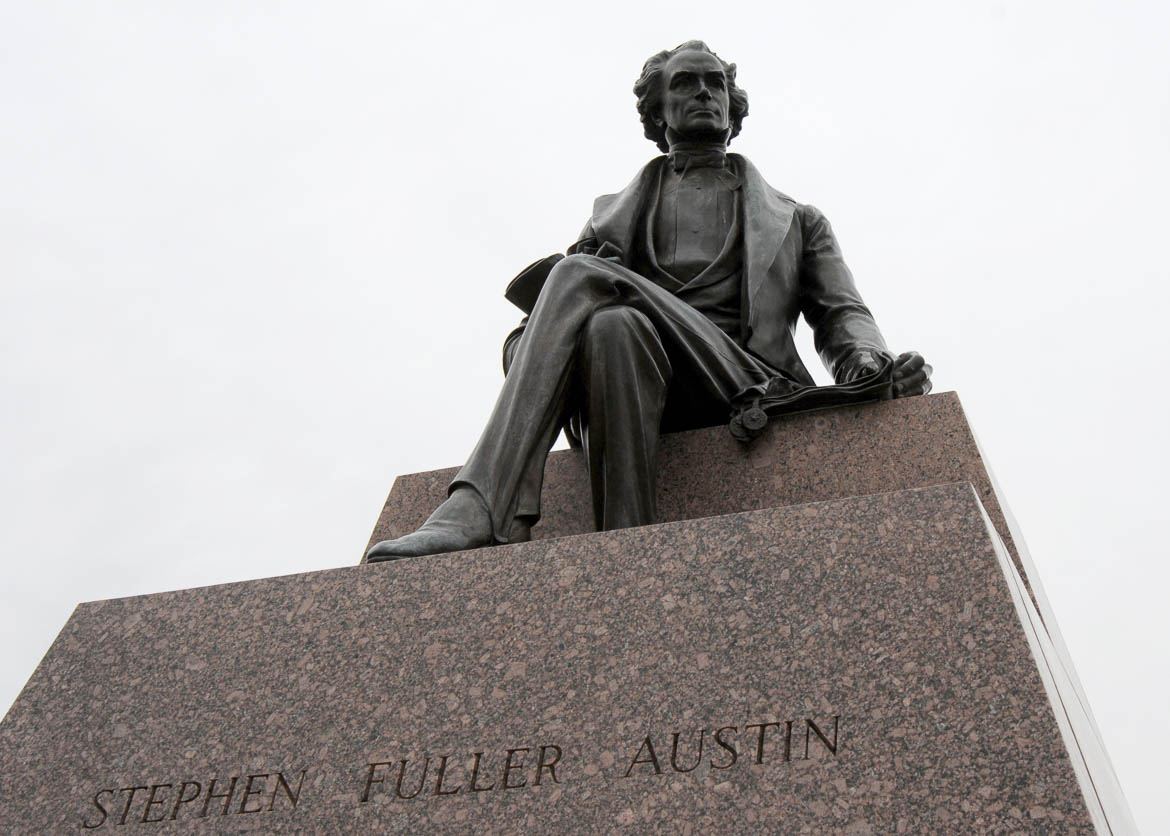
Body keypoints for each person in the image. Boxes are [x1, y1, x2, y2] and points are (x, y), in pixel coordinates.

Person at [366, 40, 932, 562]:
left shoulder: (798, 220)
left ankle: (482, 506)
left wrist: (869, 364)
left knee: (577, 274)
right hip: (644, 384)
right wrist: (529, 348)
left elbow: (842, 314)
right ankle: (625, 554)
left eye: (714, 83)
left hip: (746, 381)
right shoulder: (610, 216)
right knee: (612, 326)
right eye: (686, 83)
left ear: (733, 107)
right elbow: (544, 334)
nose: (704, 92)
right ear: (657, 111)